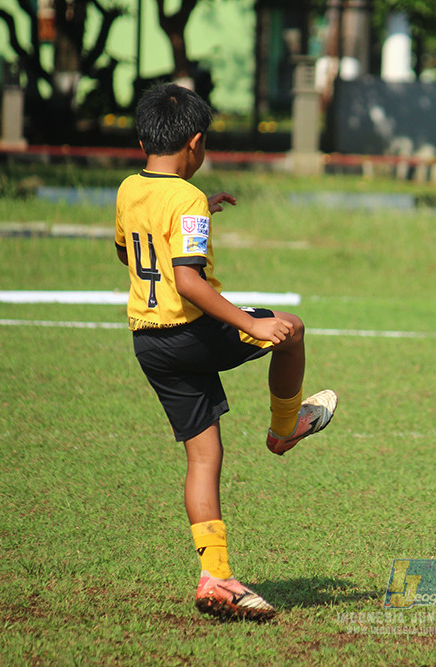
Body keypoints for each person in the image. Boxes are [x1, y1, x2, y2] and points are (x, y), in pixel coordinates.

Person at [114, 82, 337, 622]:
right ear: (195, 142)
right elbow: (188, 281)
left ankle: (215, 577)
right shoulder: (186, 198)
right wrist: (250, 324)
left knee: (204, 457)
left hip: (149, 342)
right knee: (290, 329)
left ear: (145, 139)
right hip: (192, 332)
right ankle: (284, 428)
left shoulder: (129, 188)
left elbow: (128, 251)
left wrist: (197, 218)